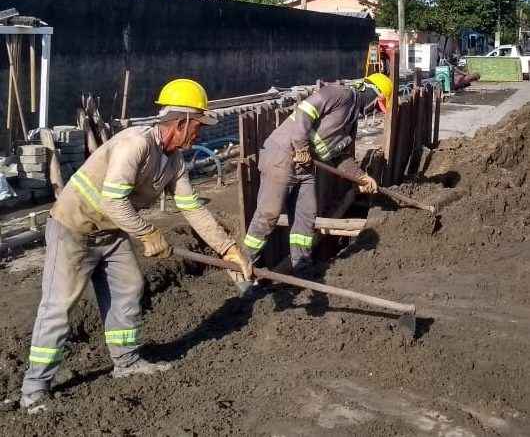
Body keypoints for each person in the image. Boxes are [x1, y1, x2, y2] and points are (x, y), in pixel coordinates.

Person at [20, 79, 252, 409]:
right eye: (198, 126)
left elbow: (192, 208)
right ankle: (34, 390)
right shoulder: (134, 144)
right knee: (59, 308)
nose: (199, 134)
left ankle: (126, 363)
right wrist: (147, 233)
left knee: (129, 288)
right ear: (182, 122)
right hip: (74, 229)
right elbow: (113, 201)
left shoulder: (174, 161)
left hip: (111, 233)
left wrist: (228, 248)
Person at [243, 74, 392, 274]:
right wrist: (302, 148)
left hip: (304, 166)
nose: (374, 109)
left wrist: (361, 177)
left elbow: (339, 158)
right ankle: (243, 267)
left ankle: (302, 268)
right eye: (377, 104)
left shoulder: (351, 119)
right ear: (372, 93)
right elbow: (304, 112)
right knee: (269, 214)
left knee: (306, 216)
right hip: (283, 154)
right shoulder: (341, 93)